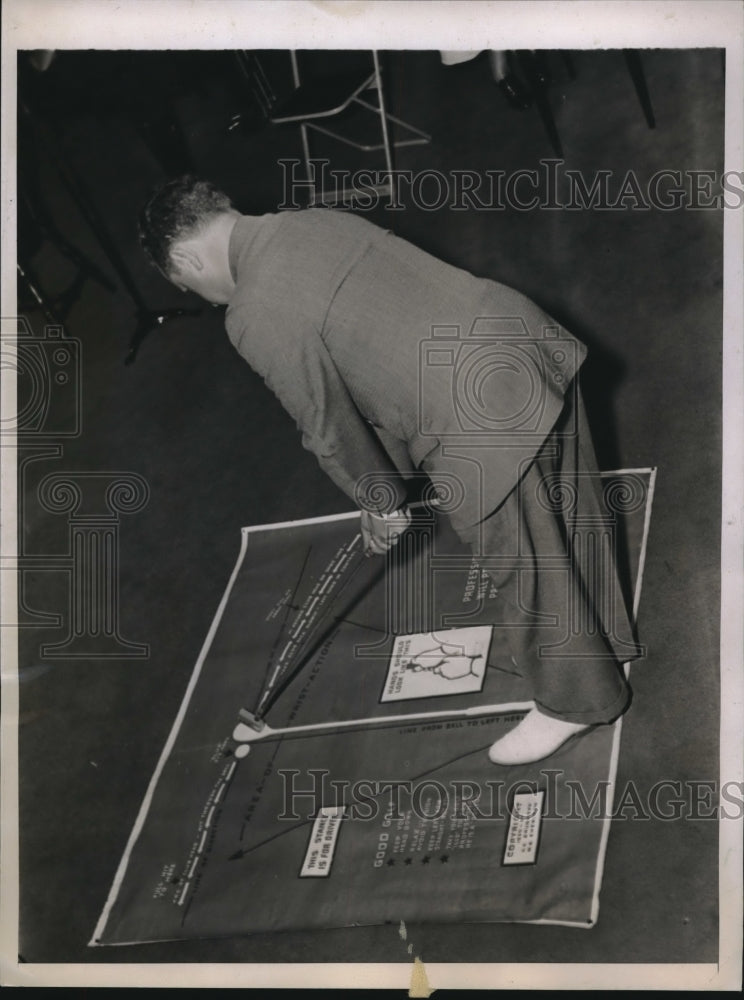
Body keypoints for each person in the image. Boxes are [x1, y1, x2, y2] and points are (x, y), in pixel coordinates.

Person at [138, 175, 641, 765]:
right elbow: (377, 357)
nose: (211, 300)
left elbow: (326, 420)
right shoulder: (313, 219)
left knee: (525, 563)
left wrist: (379, 502)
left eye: (193, 288)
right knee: (571, 510)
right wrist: (387, 492)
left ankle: (575, 702)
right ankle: (611, 641)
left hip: (470, 411)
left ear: (186, 258)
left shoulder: (254, 310)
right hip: (517, 337)